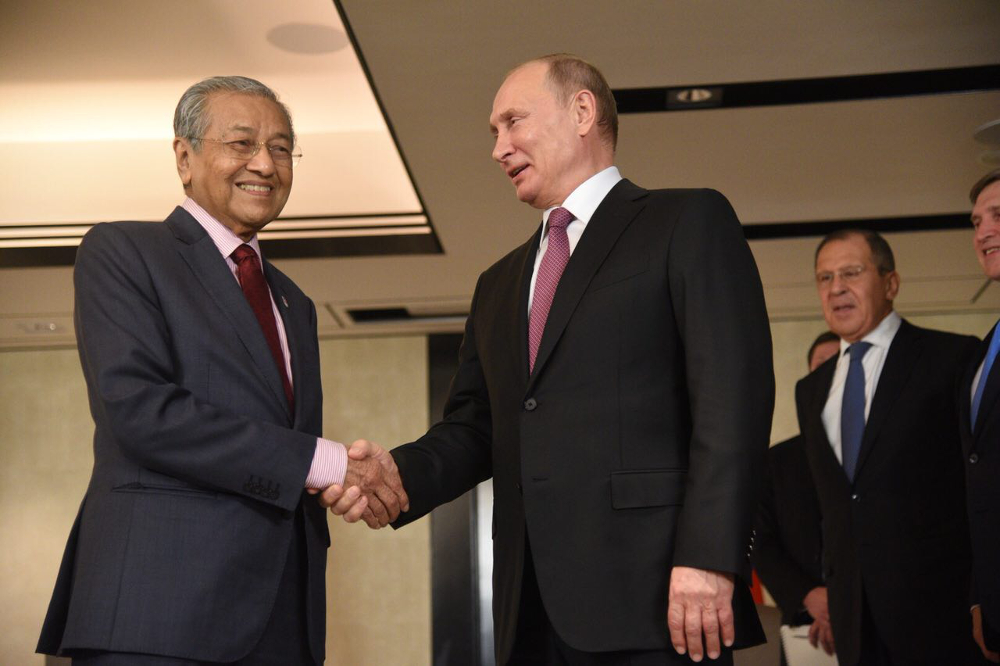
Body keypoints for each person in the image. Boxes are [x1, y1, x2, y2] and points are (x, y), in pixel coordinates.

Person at [325, 53, 774, 665]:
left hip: (657, 596)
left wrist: (709, 555)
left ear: (583, 111)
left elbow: (732, 401)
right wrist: (400, 477)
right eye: (493, 133)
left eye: (513, 122)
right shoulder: (499, 282)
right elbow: (476, 427)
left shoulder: (685, 222)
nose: (498, 148)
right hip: (526, 612)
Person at [35, 76, 407, 665]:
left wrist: (342, 479)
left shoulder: (294, 302)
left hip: (283, 620)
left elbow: (281, 450)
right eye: (241, 143)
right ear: (185, 158)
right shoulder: (123, 252)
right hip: (156, 615)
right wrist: (325, 461)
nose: (265, 162)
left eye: (282, 148)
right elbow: (140, 412)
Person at [795, 229, 983, 665]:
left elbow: (983, 487)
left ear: (891, 283)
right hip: (854, 623)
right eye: (824, 278)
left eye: (851, 273)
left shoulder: (951, 359)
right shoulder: (810, 389)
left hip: (943, 617)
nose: (836, 287)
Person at [753, 331, 839, 660]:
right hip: (805, 622)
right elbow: (760, 540)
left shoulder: (883, 452)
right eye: (822, 364)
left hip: (880, 618)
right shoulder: (775, 462)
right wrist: (809, 596)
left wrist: (846, 600)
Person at [963, 169, 1000, 663]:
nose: (983, 231)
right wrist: (978, 594)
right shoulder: (984, 348)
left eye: (998, 216)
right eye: (976, 221)